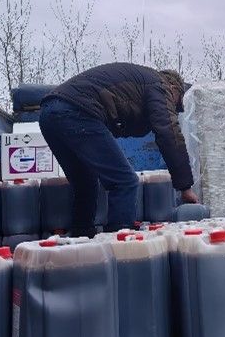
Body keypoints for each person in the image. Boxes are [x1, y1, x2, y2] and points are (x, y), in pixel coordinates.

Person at [39, 62, 198, 235]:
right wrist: (185, 187)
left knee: (85, 183)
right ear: (174, 88)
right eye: (176, 104)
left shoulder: (142, 82)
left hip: (49, 114)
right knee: (125, 182)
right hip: (77, 112)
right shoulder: (160, 85)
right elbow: (168, 133)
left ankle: (81, 237)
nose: (173, 110)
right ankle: (119, 243)